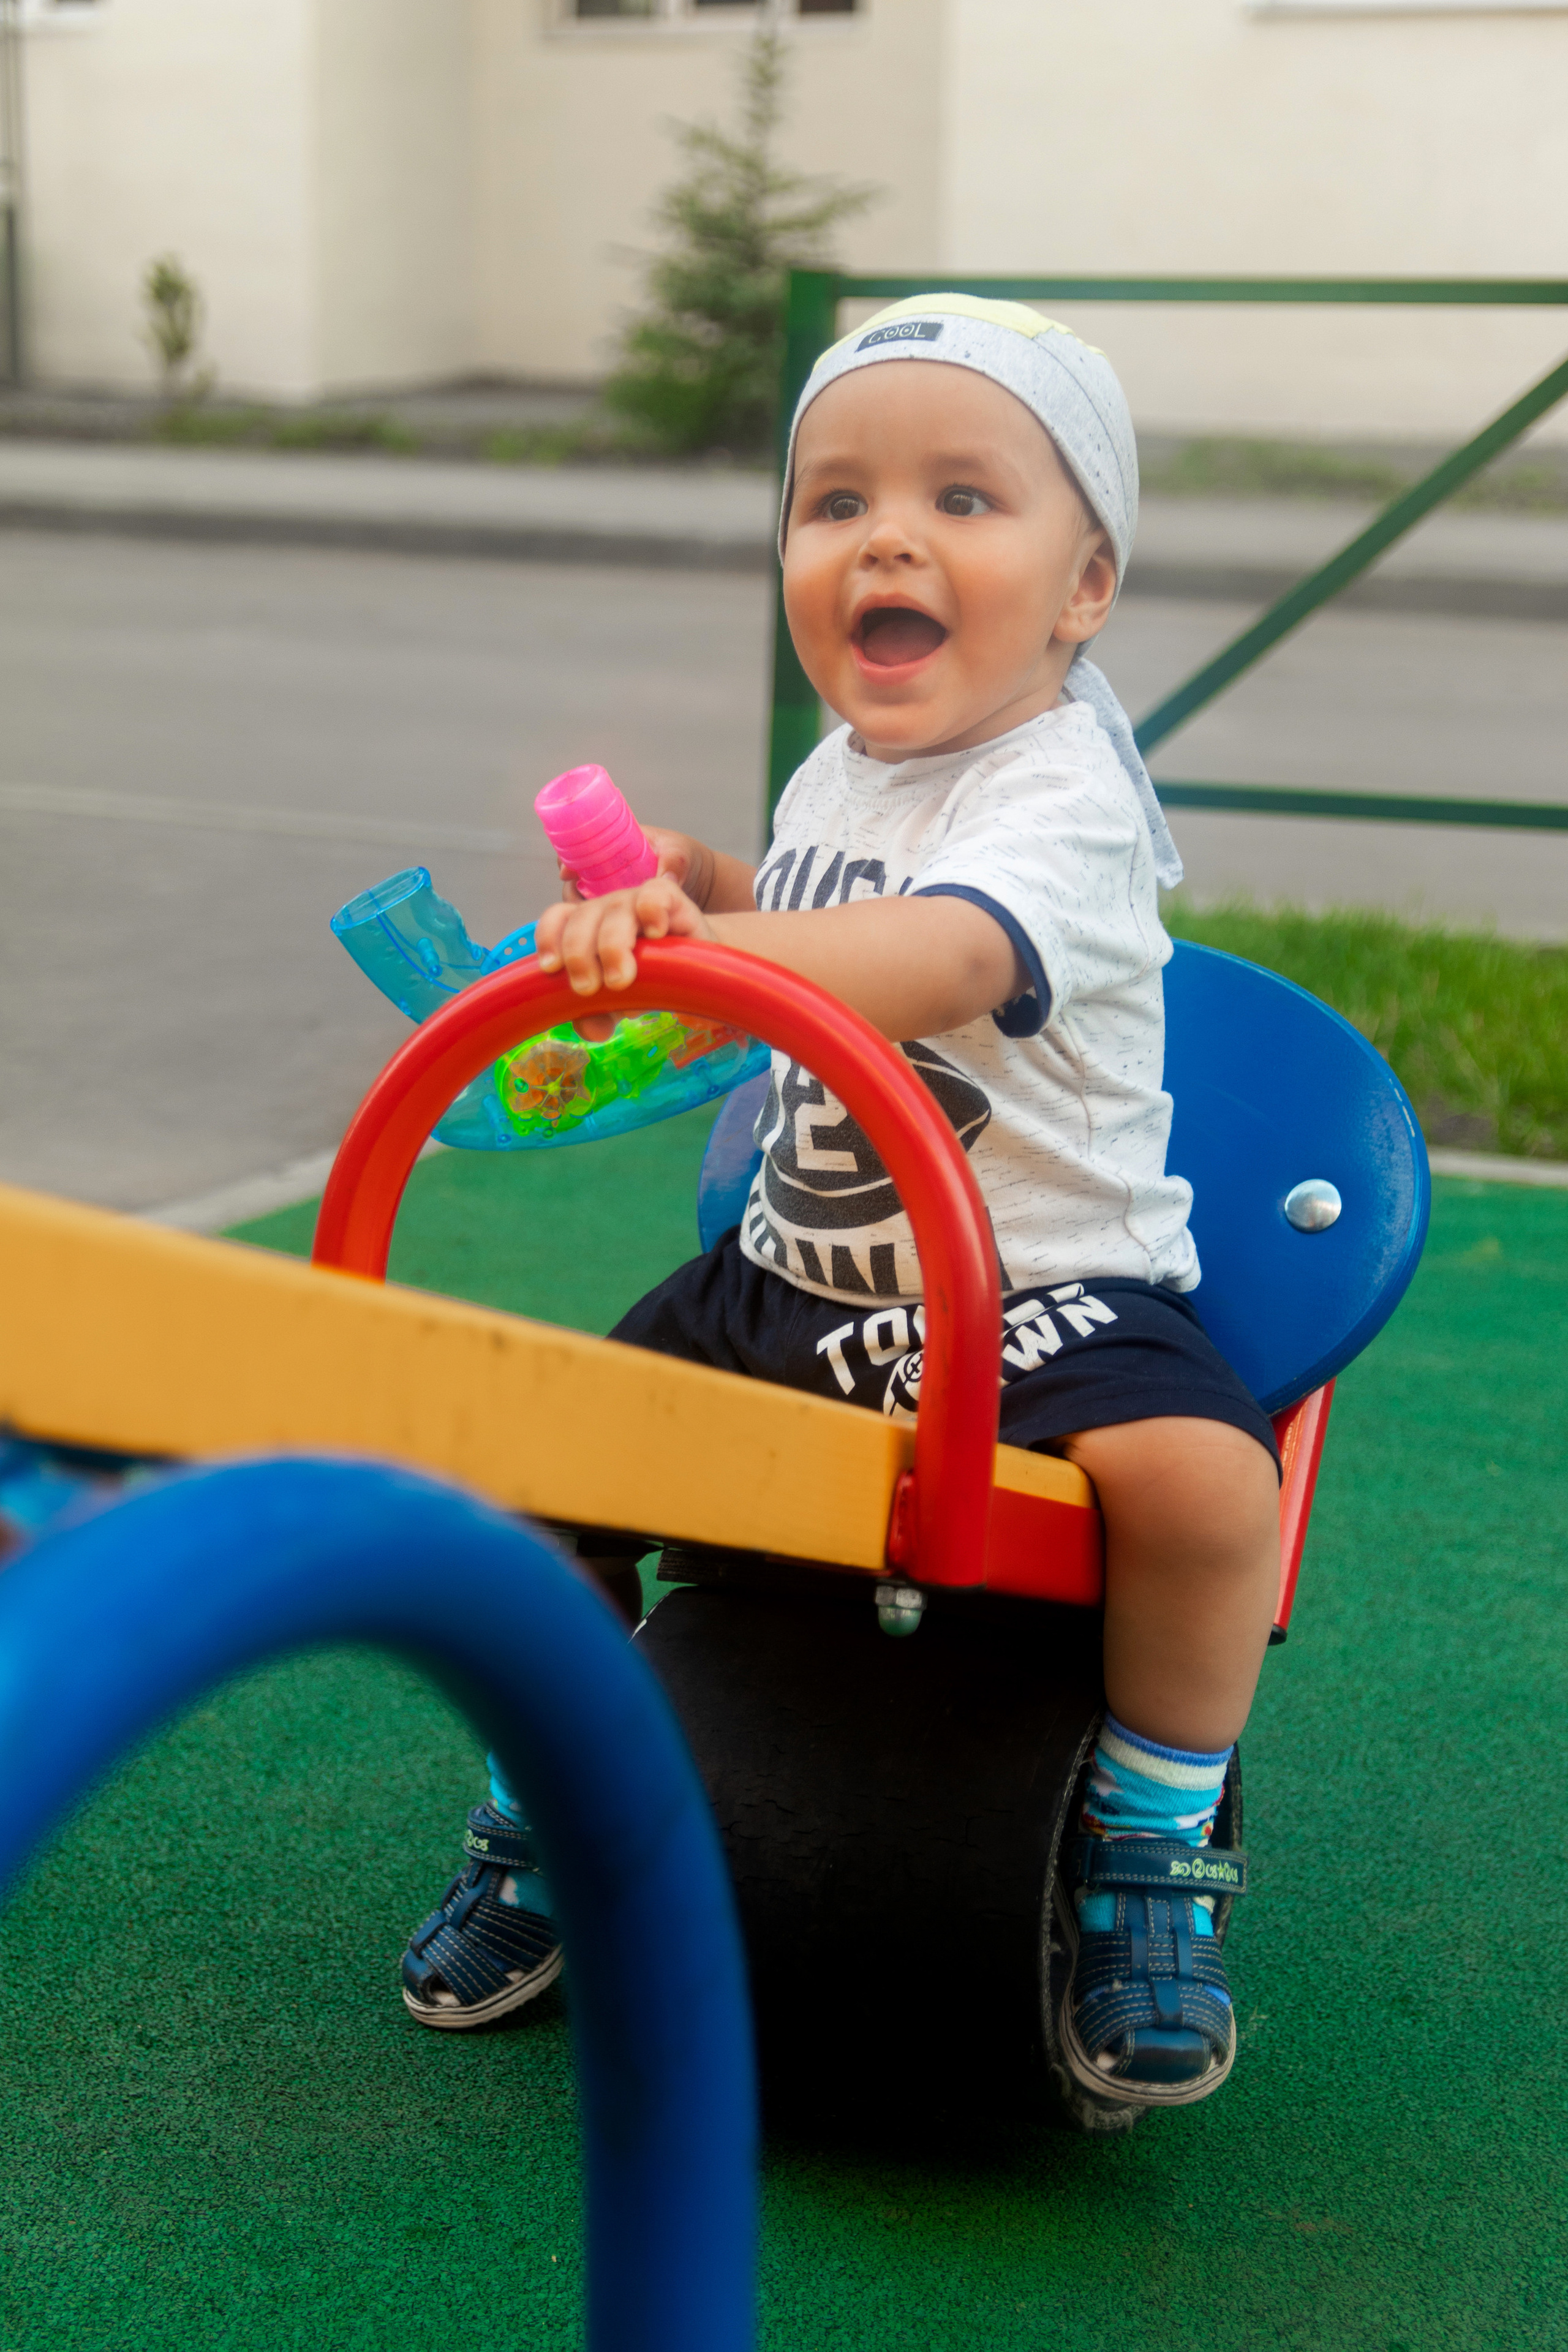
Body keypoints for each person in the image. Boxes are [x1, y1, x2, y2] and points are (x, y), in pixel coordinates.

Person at [400, 294, 1281, 2113]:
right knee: (539, 1468)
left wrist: (720, 950)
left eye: (966, 500)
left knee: (1209, 1492)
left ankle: (1150, 1837)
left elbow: (945, 950)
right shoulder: (850, 759)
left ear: (1084, 586)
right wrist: (683, 882)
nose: (887, 536)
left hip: (1038, 1288)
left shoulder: (1066, 794)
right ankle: (543, 1801)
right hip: (792, 1280)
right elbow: (797, 878)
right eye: (836, 503)